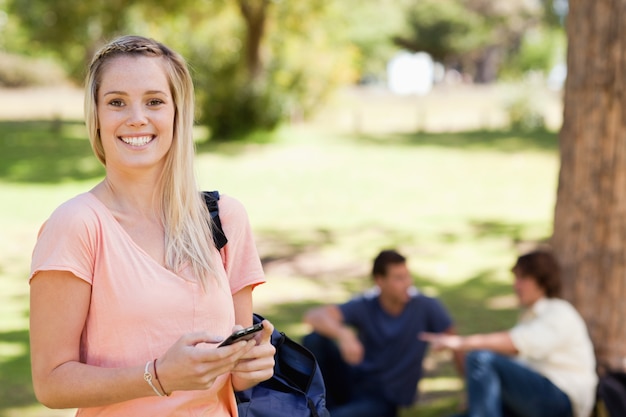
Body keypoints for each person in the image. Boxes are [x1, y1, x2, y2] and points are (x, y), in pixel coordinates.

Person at [28, 35, 275, 416]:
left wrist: (250, 365)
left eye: (154, 101)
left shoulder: (225, 219)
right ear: (96, 115)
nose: (136, 117)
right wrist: (158, 375)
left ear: (178, 112)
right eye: (116, 102)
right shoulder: (76, 225)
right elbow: (51, 382)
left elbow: (235, 375)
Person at [421, 249, 598, 417]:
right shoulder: (528, 317)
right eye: (516, 279)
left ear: (542, 281)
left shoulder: (558, 312)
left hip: (560, 400)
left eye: (523, 279)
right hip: (532, 398)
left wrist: (461, 343)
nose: (516, 285)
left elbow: (516, 344)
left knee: (480, 359)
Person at [302, 249, 462, 417]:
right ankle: (317, 406)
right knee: (315, 339)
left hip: (384, 398)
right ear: (380, 280)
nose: (408, 283)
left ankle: (320, 413)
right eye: (399, 278)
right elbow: (313, 316)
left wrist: (469, 392)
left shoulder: (426, 306)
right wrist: (344, 334)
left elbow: (457, 343)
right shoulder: (366, 303)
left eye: (407, 276)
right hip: (354, 382)